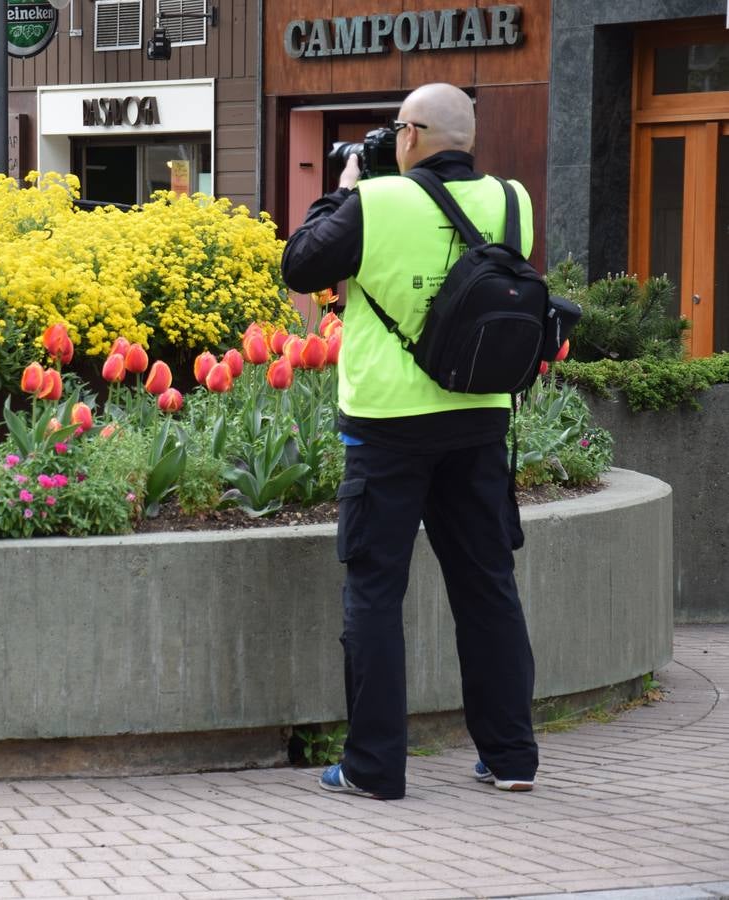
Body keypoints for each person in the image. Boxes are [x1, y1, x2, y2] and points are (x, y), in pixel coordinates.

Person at [281, 83, 539, 801]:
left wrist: (341, 190)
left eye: (398, 128)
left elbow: (301, 265)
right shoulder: (513, 202)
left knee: (374, 592)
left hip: (387, 430)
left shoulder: (378, 203)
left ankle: (373, 767)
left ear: (413, 134)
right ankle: (512, 758)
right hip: (480, 420)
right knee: (488, 587)